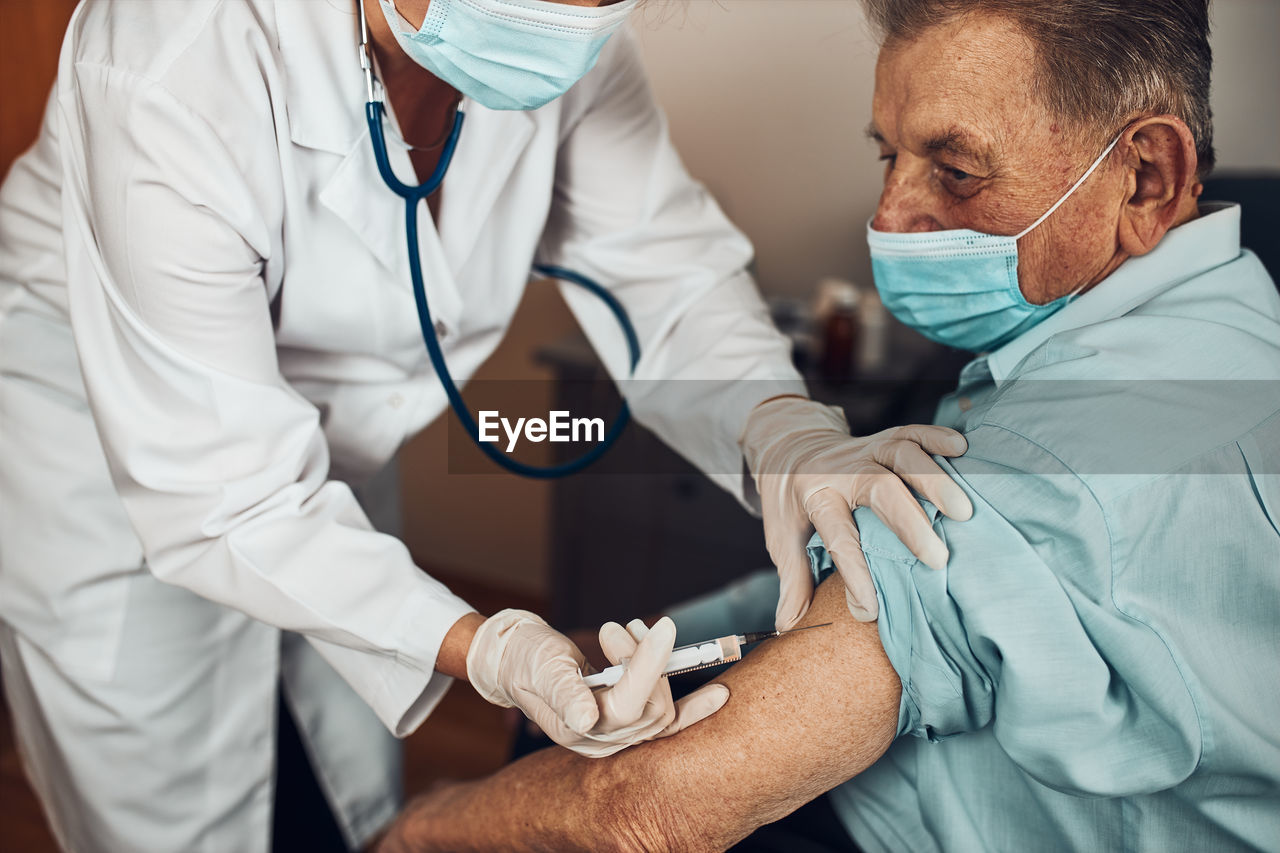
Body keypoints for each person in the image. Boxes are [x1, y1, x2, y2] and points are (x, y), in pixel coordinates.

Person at [0, 0, 970, 849]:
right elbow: (229, 491)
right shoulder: (170, 57)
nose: (563, 17)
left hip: (336, 447)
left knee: (345, 779)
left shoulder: (570, 54)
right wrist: (491, 649)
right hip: (111, 454)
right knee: (173, 809)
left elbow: (665, 278)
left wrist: (782, 432)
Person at [376, 0, 1280, 850]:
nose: (888, 217)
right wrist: (610, 642)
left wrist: (418, 826)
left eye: (955, 171)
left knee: (538, 779)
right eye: (890, 157)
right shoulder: (1236, 329)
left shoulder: (1043, 470)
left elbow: (653, 810)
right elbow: (853, 587)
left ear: (1148, 176)